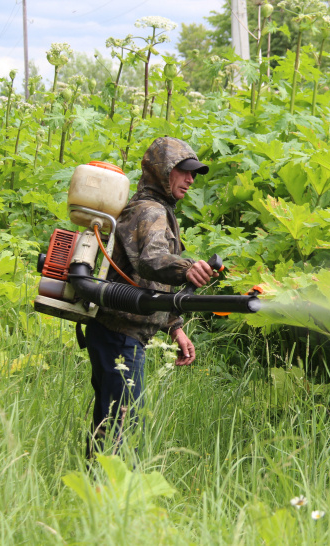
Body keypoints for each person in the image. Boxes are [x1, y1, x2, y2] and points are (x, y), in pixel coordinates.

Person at [84, 136, 216, 457]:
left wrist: (175, 327)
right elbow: (152, 261)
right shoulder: (151, 212)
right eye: (183, 170)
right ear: (161, 171)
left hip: (113, 331)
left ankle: (94, 489)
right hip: (121, 335)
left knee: (109, 422)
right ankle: (111, 497)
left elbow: (143, 278)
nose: (190, 179)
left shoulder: (154, 210)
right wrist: (187, 269)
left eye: (194, 173)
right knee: (123, 426)